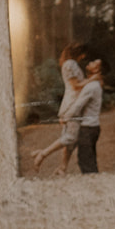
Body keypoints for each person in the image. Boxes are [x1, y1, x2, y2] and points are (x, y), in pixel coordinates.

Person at [29, 45, 88, 177]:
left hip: (71, 105)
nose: (84, 57)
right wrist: (93, 80)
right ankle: (42, 154)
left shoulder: (70, 64)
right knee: (71, 137)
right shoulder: (70, 64)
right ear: (79, 53)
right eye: (83, 54)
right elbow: (76, 86)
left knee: (69, 140)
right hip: (72, 106)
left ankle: (63, 168)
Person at [60, 55, 103, 175]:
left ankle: (95, 187)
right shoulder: (94, 84)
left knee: (86, 163)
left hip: (87, 128)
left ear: (96, 70)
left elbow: (77, 106)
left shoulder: (90, 86)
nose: (91, 61)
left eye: (95, 61)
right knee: (90, 161)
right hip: (94, 127)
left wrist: (66, 117)